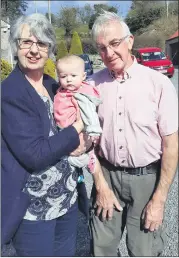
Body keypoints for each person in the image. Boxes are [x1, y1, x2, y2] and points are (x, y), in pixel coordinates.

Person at [87, 11, 178, 257]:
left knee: (144, 251)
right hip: (107, 177)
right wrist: (100, 185)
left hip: (146, 180)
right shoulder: (91, 86)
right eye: (102, 48)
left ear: (130, 41)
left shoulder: (158, 84)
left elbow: (171, 145)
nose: (109, 53)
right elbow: (87, 143)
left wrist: (159, 200)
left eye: (115, 43)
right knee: (101, 248)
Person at [1, 13, 91, 257]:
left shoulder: (55, 85)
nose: (33, 50)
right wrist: (79, 128)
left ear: (50, 49)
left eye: (41, 43)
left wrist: (86, 144)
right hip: (34, 208)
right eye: (26, 42)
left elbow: (78, 124)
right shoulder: (10, 92)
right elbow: (36, 155)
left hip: (66, 198)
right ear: (15, 46)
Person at [54, 55, 102, 174]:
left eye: (73, 76)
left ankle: (88, 157)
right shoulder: (61, 91)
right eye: (63, 76)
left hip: (79, 130)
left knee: (77, 150)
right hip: (63, 129)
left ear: (83, 76)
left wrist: (93, 129)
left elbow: (89, 112)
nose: (68, 79)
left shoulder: (82, 94)